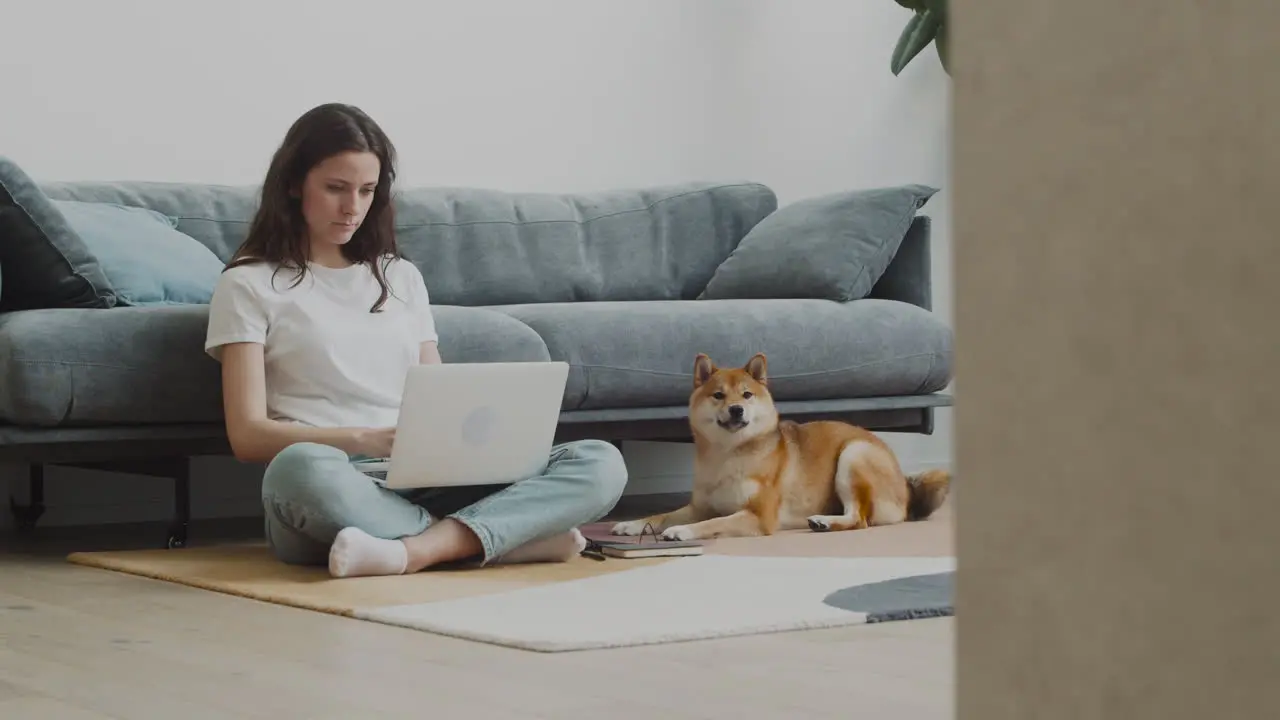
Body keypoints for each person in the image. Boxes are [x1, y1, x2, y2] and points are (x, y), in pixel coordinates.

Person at [204, 102, 628, 579]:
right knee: (296, 469)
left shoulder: (400, 277)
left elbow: (439, 396)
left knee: (599, 460)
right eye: (335, 189)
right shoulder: (248, 283)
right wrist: (365, 438)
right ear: (292, 183)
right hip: (342, 482)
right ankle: (496, 538)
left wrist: (472, 442)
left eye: (367, 191)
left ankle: (416, 551)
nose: (353, 208)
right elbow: (247, 435)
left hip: (430, 475)